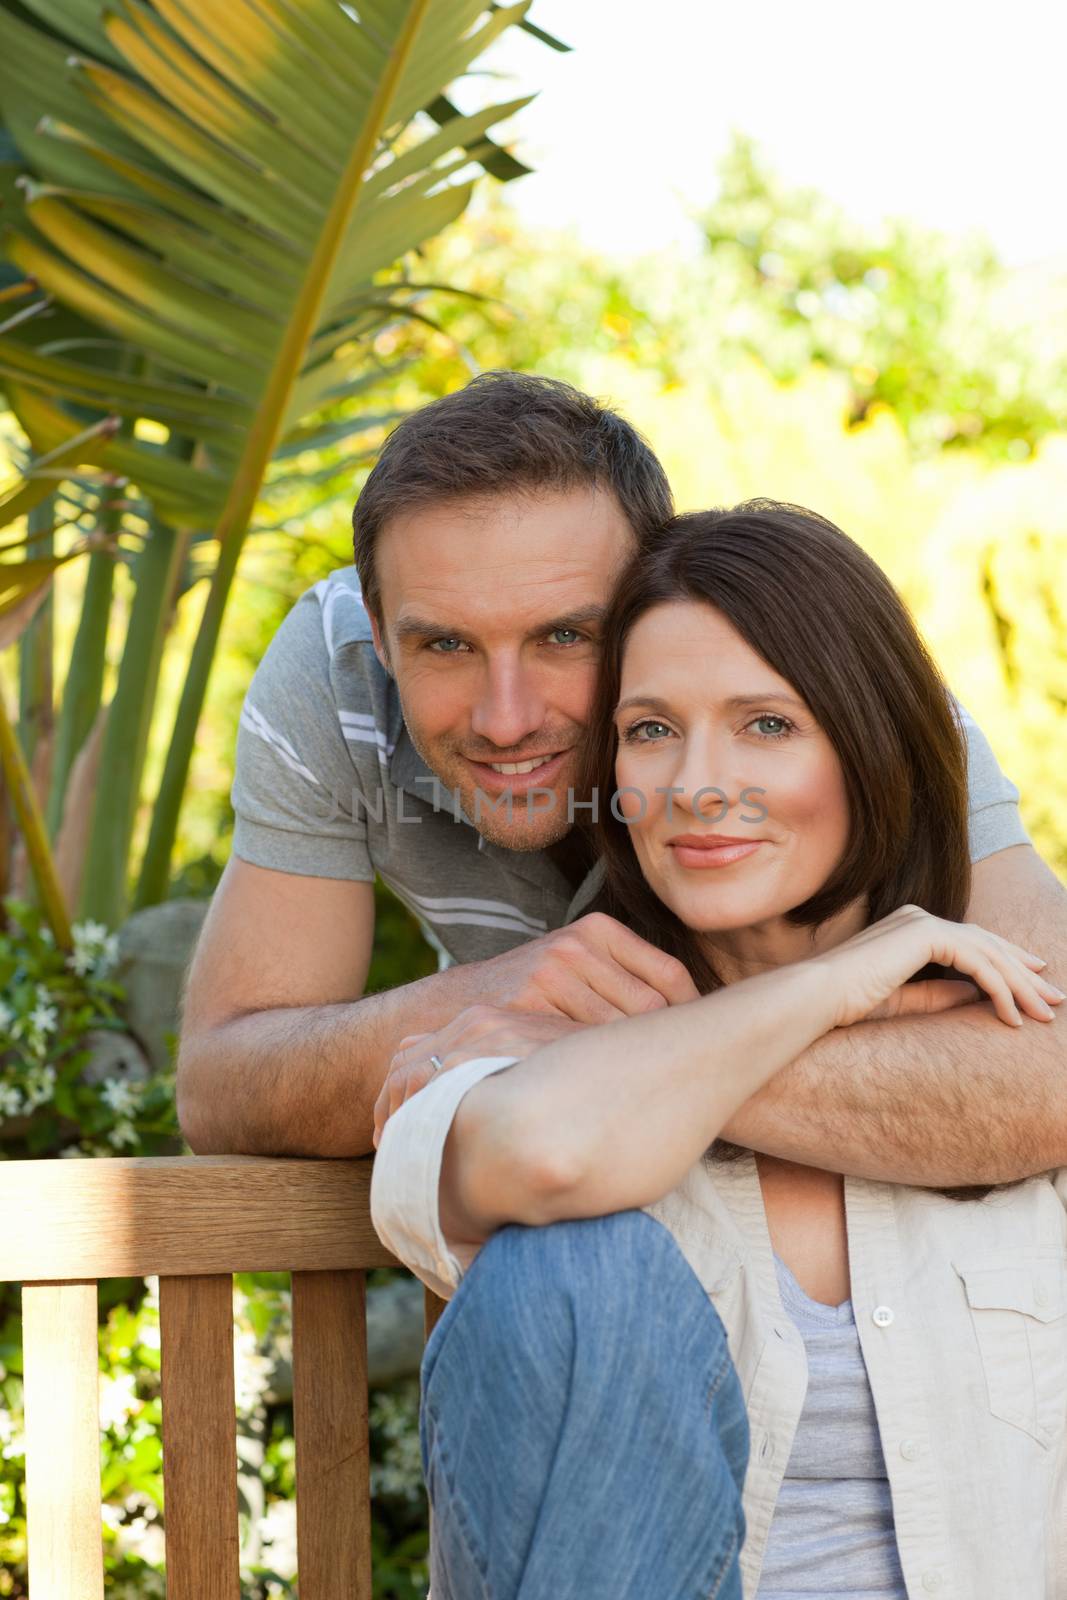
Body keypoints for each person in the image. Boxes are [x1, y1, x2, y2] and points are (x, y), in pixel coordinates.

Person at [370, 501, 1067, 1599]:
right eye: (650, 731)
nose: (696, 783)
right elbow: (540, 1147)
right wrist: (830, 986)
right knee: (576, 1260)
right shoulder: (523, 1046)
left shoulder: (1000, 1046)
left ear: (871, 743)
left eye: (765, 724)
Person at [177, 373, 1067, 1203]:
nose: (504, 718)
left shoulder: (816, 684)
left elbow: (1054, 1071)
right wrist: (491, 1004)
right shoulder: (335, 679)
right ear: (378, 631)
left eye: (565, 635)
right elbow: (224, 1089)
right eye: (444, 645)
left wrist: (605, 1058)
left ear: (657, 592)